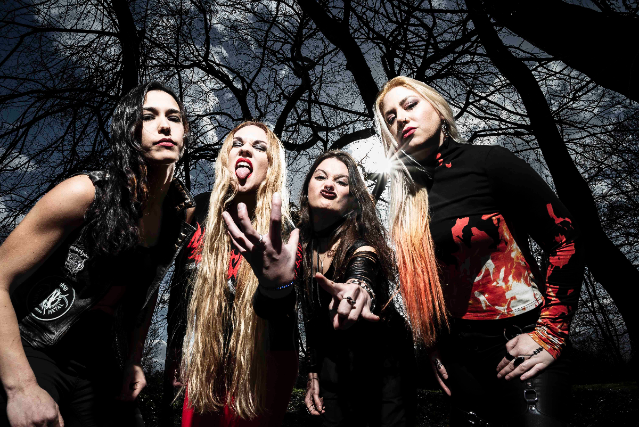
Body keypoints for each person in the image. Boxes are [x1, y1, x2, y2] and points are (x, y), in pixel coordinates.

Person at [373, 76, 585, 426]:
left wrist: (551, 332)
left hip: (520, 344)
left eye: (410, 105)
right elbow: (429, 285)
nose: (402, 119)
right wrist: (434, 347)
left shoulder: (489, 161)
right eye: (391, 118)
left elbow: (566, 237)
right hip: (460, 360)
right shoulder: (407, 204)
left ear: (439, 110)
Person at [0, 81, 195, 426]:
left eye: (174, 117)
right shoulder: (84, 193)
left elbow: (147, 294)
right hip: (35, 343)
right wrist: (21, 388)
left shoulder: (178, 216)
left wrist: (134, 360)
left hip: (99, 354)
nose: (165, 125)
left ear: (184, 133)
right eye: (148, 116)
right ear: (129, 131)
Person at [177, 122, 300, 427]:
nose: (245, 149)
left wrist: (276, 286)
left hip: (264, 365)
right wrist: (175, 354)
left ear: (271, 166)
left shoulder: (285, 227)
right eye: (237, 143)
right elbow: (177, 289)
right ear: (226, 158)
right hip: (205, 361)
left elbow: (289, 309)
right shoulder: (198, 211)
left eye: (259, 147)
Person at [296, 150, 416, 426]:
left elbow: (362, 269)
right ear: (307, 189)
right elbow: (310, 316)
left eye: (341, 182)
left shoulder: (361, 243)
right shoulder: (301, 248)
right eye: (321, 177)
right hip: (335, 360)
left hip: (384, 363)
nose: (329, 184)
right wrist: (313, 371)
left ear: (352, 199)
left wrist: (359, 287)